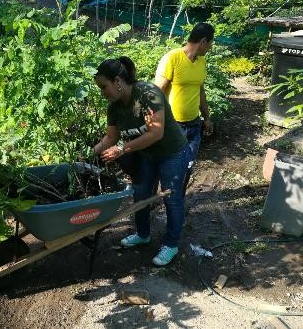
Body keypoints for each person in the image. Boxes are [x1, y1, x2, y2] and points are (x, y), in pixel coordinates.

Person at [92, 56, 190, 266]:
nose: (102, 93)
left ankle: (171, 244)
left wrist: (122, 149)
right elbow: (111, 137)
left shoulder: (148, 94)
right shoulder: (114, 107)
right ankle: (143, 234)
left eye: (104, 87)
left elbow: (156, 132)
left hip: (171, 152)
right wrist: (90, 154)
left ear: (118, 81)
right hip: (146, 155)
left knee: (171, 199)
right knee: (140, 194)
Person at [154, 22, 215, 196]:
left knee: (188, 165)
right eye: (211, 43)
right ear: (203, 41)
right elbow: (156, 92)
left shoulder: (201, 62)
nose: (211, 47)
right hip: (173, 127)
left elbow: (200, 91)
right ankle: (151, 199)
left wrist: (207, 117)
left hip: (194, 127)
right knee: (165, 166)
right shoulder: (172, 58)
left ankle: (177, 201)